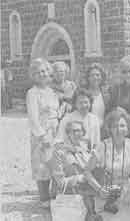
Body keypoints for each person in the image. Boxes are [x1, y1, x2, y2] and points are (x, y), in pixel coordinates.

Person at [88, 107, 130, 221]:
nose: (119, 130)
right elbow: (86, 171)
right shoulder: (102, 146)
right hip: (107, 195)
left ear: (127, 128)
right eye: (115, 126)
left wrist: (128, 190)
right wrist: (99, 189)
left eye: (122, 126)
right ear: (109, 128)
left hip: (128, 193)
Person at [47, 121, 102, 221]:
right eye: (74, 131)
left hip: (90, 197)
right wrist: (80, 178)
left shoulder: (86, 150)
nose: (77, 134)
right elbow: (60, 183)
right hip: (71, 197)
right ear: (67, 133)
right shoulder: (59, 152)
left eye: (80, 131)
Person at [26, 58, 60, 208]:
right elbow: (33, 117)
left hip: (55, 130)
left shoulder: (51, 91)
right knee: (42, 164)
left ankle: (55, 195)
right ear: (33, 75)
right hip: (42, 132)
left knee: (55, 162)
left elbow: (56, 111)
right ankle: (44, 198)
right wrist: (42, 135)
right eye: (39, 72)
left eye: (45, 71)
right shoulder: (32, 93)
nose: (43, 74)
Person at [82, 63, 110, 127]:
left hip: (103, 130)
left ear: (102, 77)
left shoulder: (107, 93)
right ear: (88, 78)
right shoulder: (83, 93)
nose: (95, 77)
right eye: (92, 75)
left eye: (98, 75)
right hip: (87, 128)